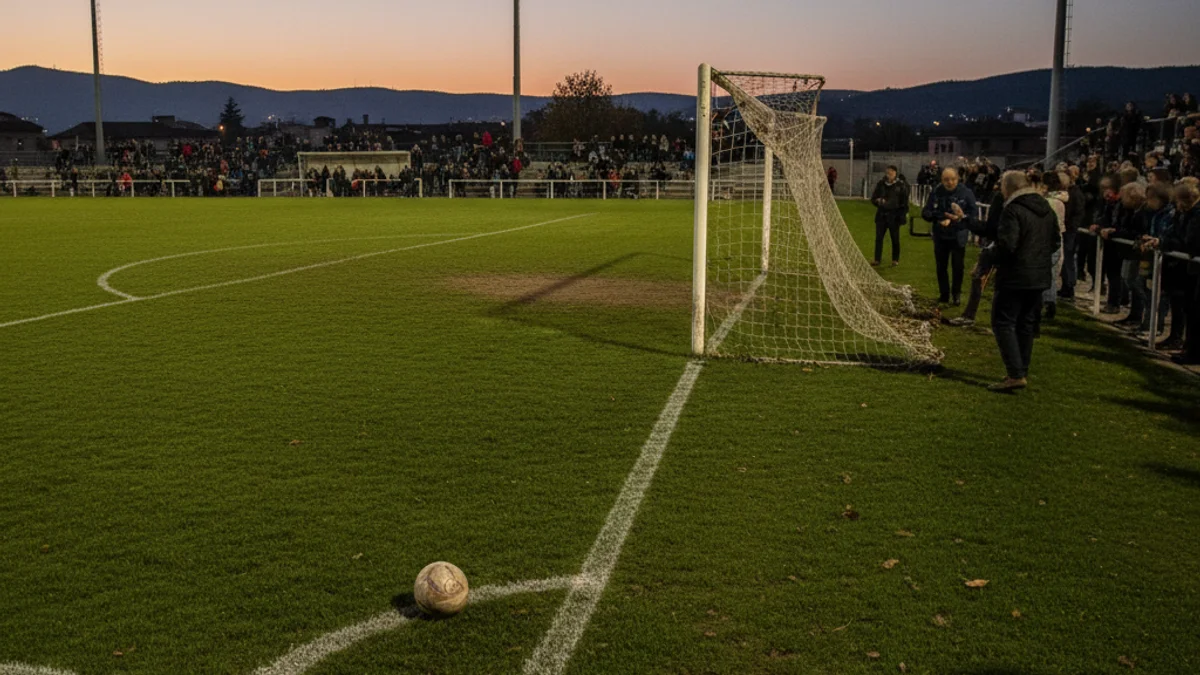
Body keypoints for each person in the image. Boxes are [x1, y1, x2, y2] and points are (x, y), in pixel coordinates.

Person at [988, 171, 1061, 391]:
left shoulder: (1013, 210)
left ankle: (1015, 374)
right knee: (1026, 324)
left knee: (1003, 322)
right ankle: (1021, 371)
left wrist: (988, 258)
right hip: (1039, 276)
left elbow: (1008, 245)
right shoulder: (1045, 208)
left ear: (1008, 188)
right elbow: (1056, 241)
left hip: (1015, 276)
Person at [922, 167, 977, 304]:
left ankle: (956, 294)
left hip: (958, 235)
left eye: (952, 179)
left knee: (958, 266)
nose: (950, 182)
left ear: (958, 179)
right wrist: (939, 217)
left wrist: (960, 218)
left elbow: (973, 213)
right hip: (941, 236)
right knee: (941, 266)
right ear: (942, 180)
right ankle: (944, 294)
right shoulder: (936, 192)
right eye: (946, 180)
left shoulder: (966, 193)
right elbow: (926, 212)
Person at [870, 165, 908, 266]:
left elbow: (904, 202)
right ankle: (877, 259)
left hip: (894, 216)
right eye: (888, 172)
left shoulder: (900, 185)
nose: (889, 174)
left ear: (895, 173)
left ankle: (895, 259)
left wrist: (902, 215)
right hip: (881, 215)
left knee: (895, 238)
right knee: (878, 238)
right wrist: (877, 201)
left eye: (891, 172)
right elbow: (873, 198)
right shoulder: (881, 184)